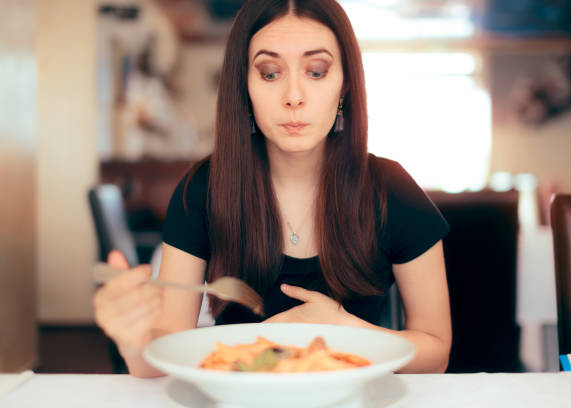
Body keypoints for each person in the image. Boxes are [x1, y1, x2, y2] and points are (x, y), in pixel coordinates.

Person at [94, 0, 452, 377]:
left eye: (316, 72)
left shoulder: (392, 191)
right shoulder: (202, 190)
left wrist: (350, 332)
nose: (294, 97)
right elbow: (162, 357)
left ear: (344, 84)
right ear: (244, 86)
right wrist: (132, 339)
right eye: (269, 74)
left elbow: (436, 351)